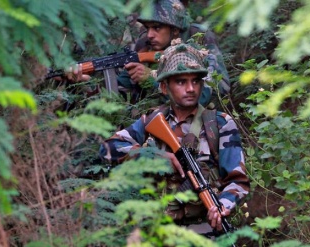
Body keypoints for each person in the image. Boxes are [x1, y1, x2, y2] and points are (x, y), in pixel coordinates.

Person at [99, 42, 249, 236]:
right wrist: (153, 156)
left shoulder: (220, 124)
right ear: (163, 87)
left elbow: (238, 181)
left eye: (195, 81)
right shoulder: (151, 121)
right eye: (181, 82)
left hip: (204, 232)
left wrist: (223, 206)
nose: (190, 88)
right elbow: (107, 148)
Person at [116, 0, 231, 107]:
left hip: (198, 121)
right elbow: (123, 90)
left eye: (157, 28)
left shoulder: (198, 37)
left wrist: (152, 80)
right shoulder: (145, 44)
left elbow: (215, 90)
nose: (150, 34)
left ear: (175, 30)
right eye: (147, 28)